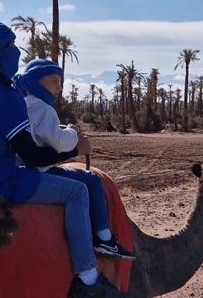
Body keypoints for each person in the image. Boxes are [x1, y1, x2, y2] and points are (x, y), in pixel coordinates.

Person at [0, 21, 129, 297]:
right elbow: (31, 156)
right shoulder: (1, 92)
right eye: (9, 45)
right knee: (78, 192)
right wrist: (74, 149)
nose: (15, 51)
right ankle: (89, 280)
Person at [13, 58, 135, 261]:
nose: (59, 88)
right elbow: (61, 143)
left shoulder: (21, 105)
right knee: (90, 182)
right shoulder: (43, 109)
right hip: (38, 173)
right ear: (36, 81)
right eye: (54, 81)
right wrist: (73, 135)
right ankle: (103, 240)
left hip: (22, 169)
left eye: (60, 83)